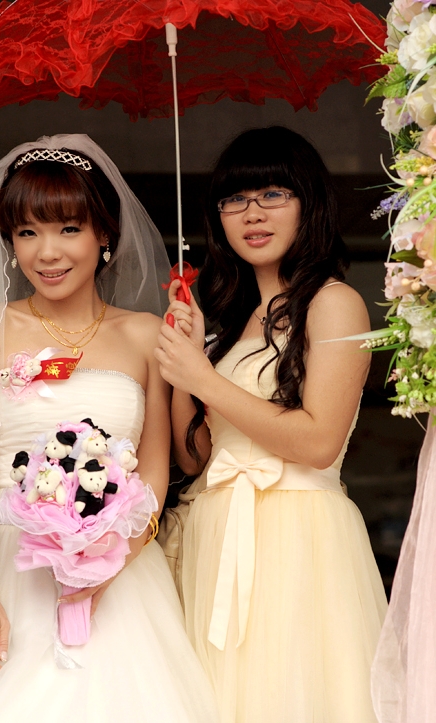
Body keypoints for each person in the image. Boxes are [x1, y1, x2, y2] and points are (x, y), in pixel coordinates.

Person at [0, 134, 219, 722]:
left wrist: (105, 566)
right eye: (27, 232)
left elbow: (155, 474)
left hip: (119, 572)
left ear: (104, 234)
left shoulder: (148, 333)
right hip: (8, 563)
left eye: (68, 228)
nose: (47, 252)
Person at [155, 126, 388, 723]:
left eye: (272, 194)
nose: (252, 214)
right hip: (215, 532)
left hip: (297, 533)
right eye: (234, 199)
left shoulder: (334, 302)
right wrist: (186, 364)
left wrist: (205, 380)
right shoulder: (228, 318)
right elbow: (195, 459)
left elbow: (318, 441)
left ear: (309, 203)